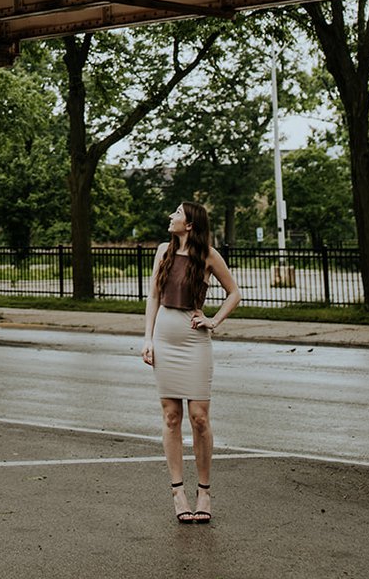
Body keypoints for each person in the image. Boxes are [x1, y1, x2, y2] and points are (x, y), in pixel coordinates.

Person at [142, 200, 240, 524]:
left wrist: (213, 320)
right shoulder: (162, 252)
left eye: (178, 214)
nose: (171, 217)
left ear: (191, 225)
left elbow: (234, 293)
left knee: (199, 418)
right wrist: (147, 340)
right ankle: (177, 492)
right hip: (164, 340)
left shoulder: (208, 256)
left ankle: (204, 492)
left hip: (194, 341)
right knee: (171, 417)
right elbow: (154, 297)